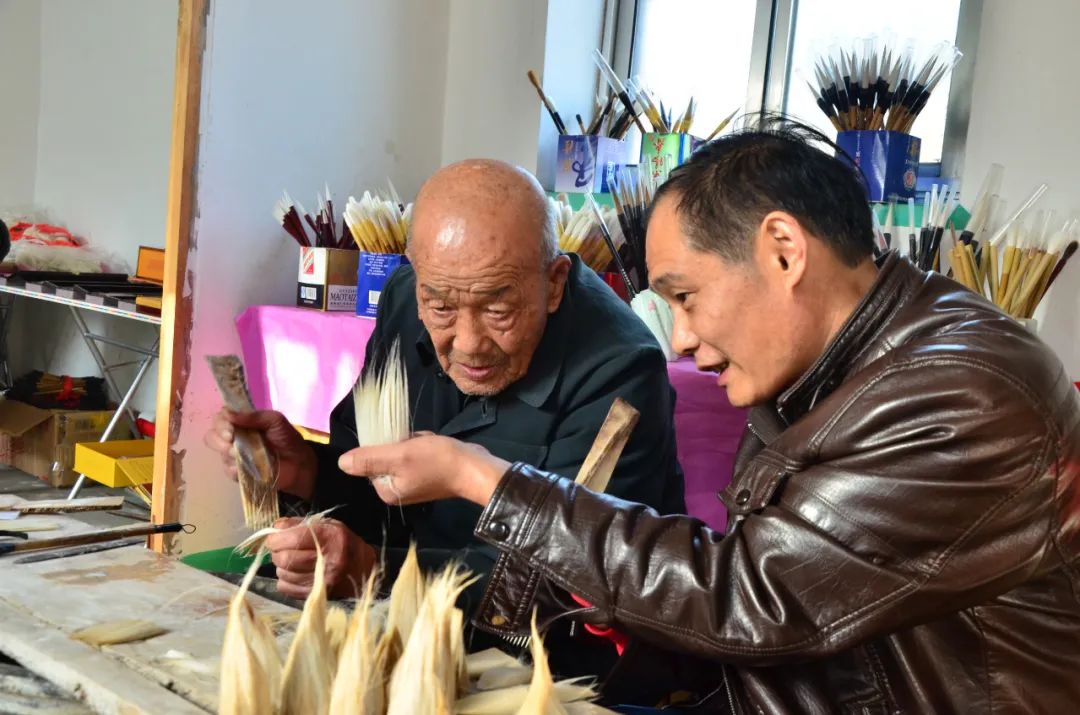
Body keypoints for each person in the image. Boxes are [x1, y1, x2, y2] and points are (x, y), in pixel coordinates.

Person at [337, 123, 1080, 712]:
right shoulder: (826, 371)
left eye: (686, 298)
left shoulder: (966, 395)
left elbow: (746, 596)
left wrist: (483, 478)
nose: (683, 339)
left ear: (783, 252)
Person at [205, 159, 684, 667]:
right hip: (394, 617)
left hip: (538, 661)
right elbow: (372, 484)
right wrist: (307, 472)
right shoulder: (406, 297)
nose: (470, 344)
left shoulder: (620, 370)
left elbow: (575, 588)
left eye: (498, 310)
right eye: (441, 308)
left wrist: (374, 570)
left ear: (555, 282)